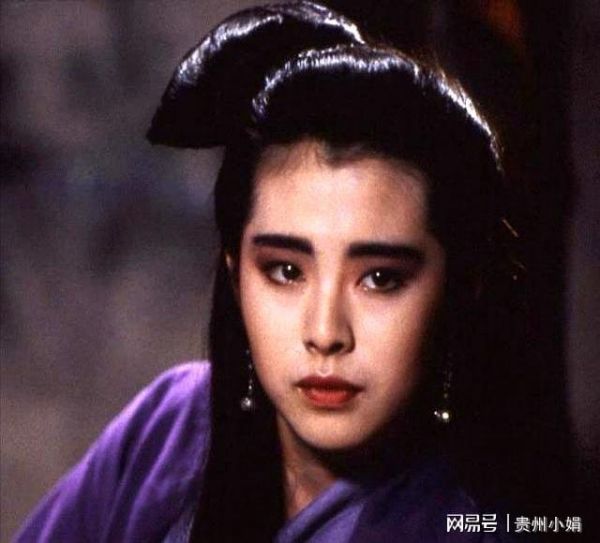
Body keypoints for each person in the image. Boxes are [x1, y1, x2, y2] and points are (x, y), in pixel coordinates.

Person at [15, 2, 524, 542]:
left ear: (459, 288)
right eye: (285, 271)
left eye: (380, 278)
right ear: (236, 274)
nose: (325, 332)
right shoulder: (169, 428)